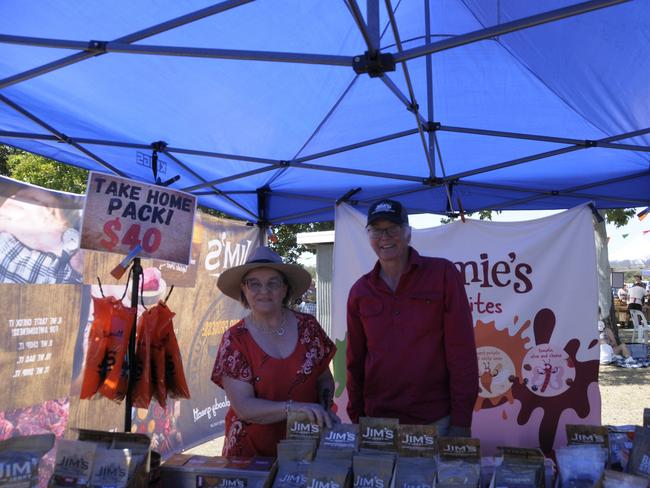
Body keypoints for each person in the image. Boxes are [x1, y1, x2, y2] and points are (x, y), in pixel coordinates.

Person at [346, 199, 479, 437]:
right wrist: (357, 417)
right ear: (369, 236)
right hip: (378, 422)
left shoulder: (443, 275)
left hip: (436, 420)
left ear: (408, 233)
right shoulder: (360, 291)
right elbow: (355, 361)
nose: (384, 237)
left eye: (392, 229)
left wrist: (461, 422)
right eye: (376, 231)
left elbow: (462, 352)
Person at [211, 246, 337, 457]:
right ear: (244, 289)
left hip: (305, 449)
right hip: (250, 455)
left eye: (273, 283)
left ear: (285, 289)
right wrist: (294, 409)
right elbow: (243, 407)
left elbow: (324, 378)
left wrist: (323, 409)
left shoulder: (309, 327)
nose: (264, 291)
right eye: (254, 284)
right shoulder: (234, 340)